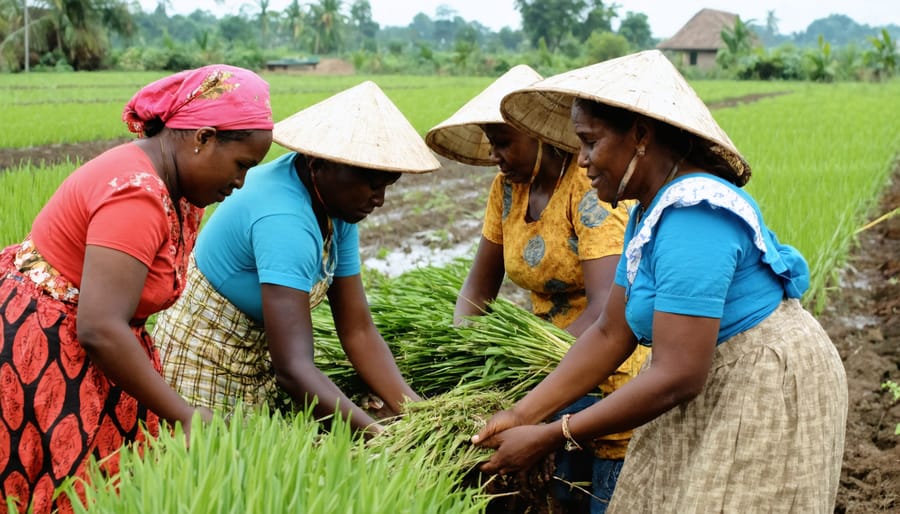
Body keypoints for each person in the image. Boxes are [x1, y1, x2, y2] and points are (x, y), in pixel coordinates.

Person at [472, 50, 848, 513]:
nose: (583, 160)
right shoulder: (649, 211)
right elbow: (610, 332)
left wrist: (553, 434)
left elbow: (678, 374)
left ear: (642, 136)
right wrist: (520, 413)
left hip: (761, 384)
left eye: (591, 142)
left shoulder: (695, 214)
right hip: (709, 380)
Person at [0, 64, 274, 514]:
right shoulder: (137, 193)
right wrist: (185, 414)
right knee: (73, 492)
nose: (241, 182)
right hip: (47, 347)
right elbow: (100, 327)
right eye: (241, 164)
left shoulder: (176, 182)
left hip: (85, 344)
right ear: (202, 138)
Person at [152, 81, 438, 438]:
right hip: (202, 362)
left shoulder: (337, 208)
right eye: (369, 183)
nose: (378, 198)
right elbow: (294, 370)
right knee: (211, 473)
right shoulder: (283, 219)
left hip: (256, 359)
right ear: (320, 163)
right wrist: (380, 436)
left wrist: (416, 412)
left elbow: (358, 329)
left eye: (386, 185)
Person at [425, 64, 647, 512]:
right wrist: (464, 355)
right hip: (546, 374)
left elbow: (605, 311)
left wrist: (530, 380)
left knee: (598, 502)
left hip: (605, 373)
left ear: (538, 134)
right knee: (551, 501)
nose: (495, 154)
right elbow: (477, 290)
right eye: (490, 143)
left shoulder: (588, 188)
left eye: (503, 142)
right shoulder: (506, 189)